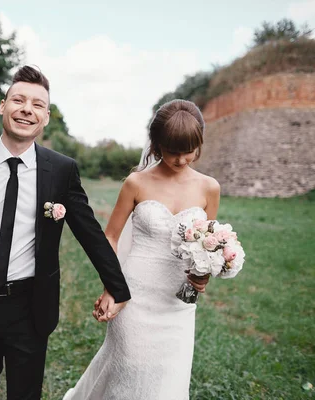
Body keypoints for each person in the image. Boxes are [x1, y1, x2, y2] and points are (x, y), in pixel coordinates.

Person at [0, 65, 131, 400]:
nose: (27, 109)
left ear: (46, 117)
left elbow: (89, 233)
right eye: (18, 100)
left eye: (37, 104)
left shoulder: (61, 170)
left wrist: (117, 288)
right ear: (2, 106)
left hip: (30, 304)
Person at [64, 99, 220, 400]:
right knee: (127, 372)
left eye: (189, 150)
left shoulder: (209, 188)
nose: (182, 159)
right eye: (173, 151)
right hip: (133, 296)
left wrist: (204, 276)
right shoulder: (136, 183)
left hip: (178, 303)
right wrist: (113, 287)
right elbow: (110, 236)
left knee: (167, 378)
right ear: (157, 144)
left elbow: (206, 244)